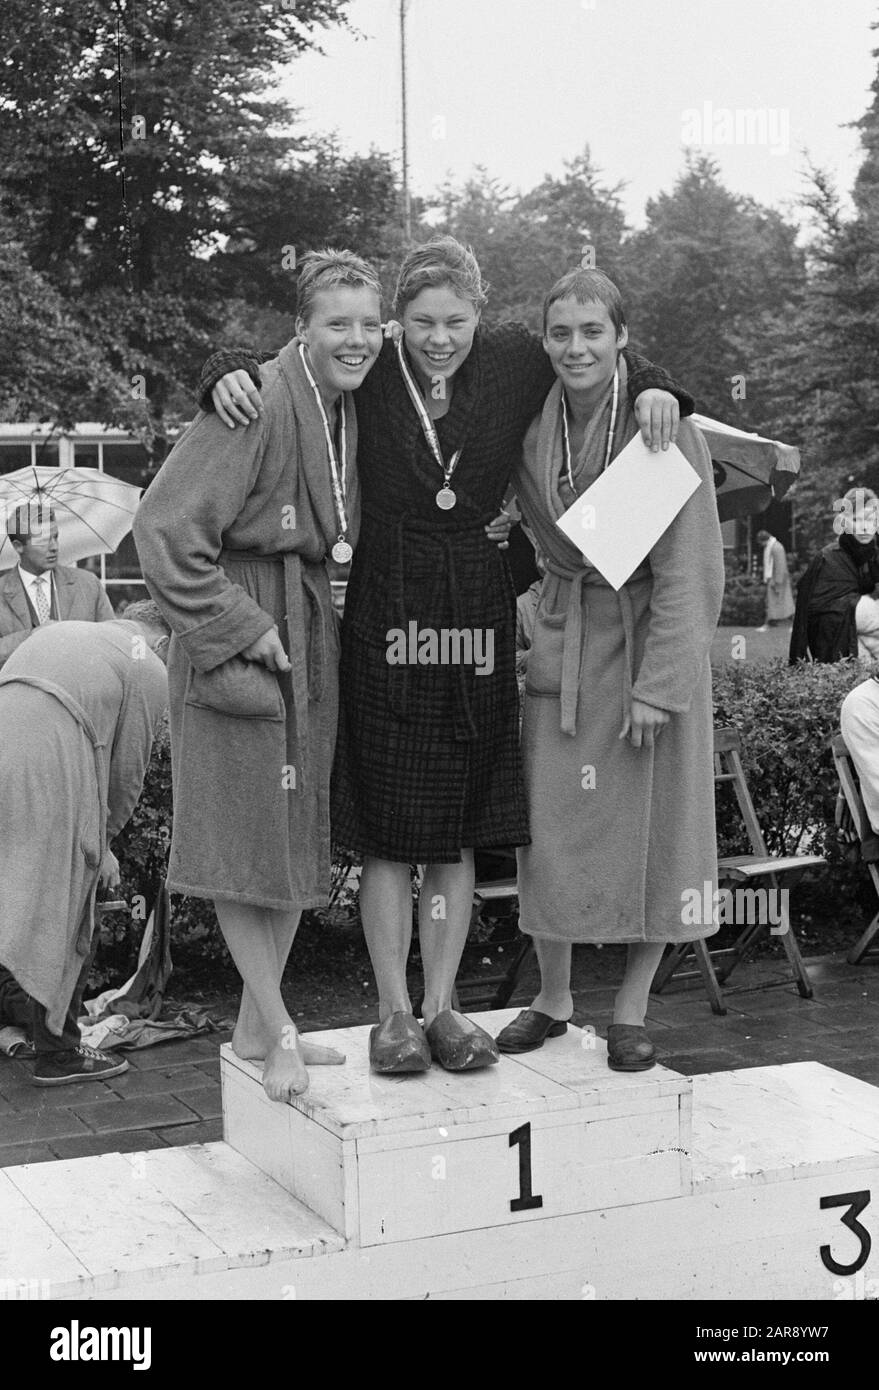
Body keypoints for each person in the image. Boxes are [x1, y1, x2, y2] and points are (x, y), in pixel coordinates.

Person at [201, 237, 693, 1076]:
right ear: (396, 323)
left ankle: (444, 1008)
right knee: (395, 832)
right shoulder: (373, 362)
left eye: (455, 321)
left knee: (459, 829)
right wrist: (219, 367)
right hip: (387, 608)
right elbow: (299, 351)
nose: (439, 337)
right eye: (421, 322)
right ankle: (392, 1012)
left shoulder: (510, 357)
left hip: (474, 608)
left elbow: (594, 344)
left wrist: (657, 386)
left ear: (481, 314)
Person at [134, 250, 388, 1103]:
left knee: (291, 835)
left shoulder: (346, 407)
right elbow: (164, 527)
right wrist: (241, 629)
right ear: (302, 330)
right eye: (335, 324)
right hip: (242, 626)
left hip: (308, 627)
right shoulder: (255, 400)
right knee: (244, 841)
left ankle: (255, 1020)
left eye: (366, 324)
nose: (354, 340)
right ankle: (278, 1030)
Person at [495, 268, 724, 1070]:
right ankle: (552, 996)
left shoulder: (663, 429)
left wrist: (659, 687)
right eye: (559, 332)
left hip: (646, 642)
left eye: (592, 331)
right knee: (548, 828)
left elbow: (693, 570)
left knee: (659, 833)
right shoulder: (529, 418)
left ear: (622, 338)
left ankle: (629, 1009)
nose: (574, 347)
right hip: (566, 637)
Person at [0, 600, 169, 1085]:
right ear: (165, 638)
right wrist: (104, 844)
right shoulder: (146, 660)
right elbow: (127, 774)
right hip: (48, 766)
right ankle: (59, 1051)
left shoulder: (66, 633)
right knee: (74, 906)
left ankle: (21, 1021)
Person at [0, 502, 115, 667]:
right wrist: (33, 636)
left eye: (55, 537)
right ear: (18, 546)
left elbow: (111, 642)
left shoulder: (88, 584)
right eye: (43, 541)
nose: (54, 547)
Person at [789, 489, 879, 663]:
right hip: (832, 637)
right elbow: (813, 610)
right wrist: (858, 605)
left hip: (861, 638)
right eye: (855, 520)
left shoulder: (874, 555)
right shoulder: (827, 558)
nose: (864, 527)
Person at [755, 528, 794, 630]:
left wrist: (776, 581)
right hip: (774, 579)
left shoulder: (776, 547)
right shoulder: (773, 546)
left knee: (784, 604)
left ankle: (793, 624)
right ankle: (769, 624)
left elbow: (780, 565)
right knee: (774, 604)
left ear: (764, 540)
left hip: (778, 580)